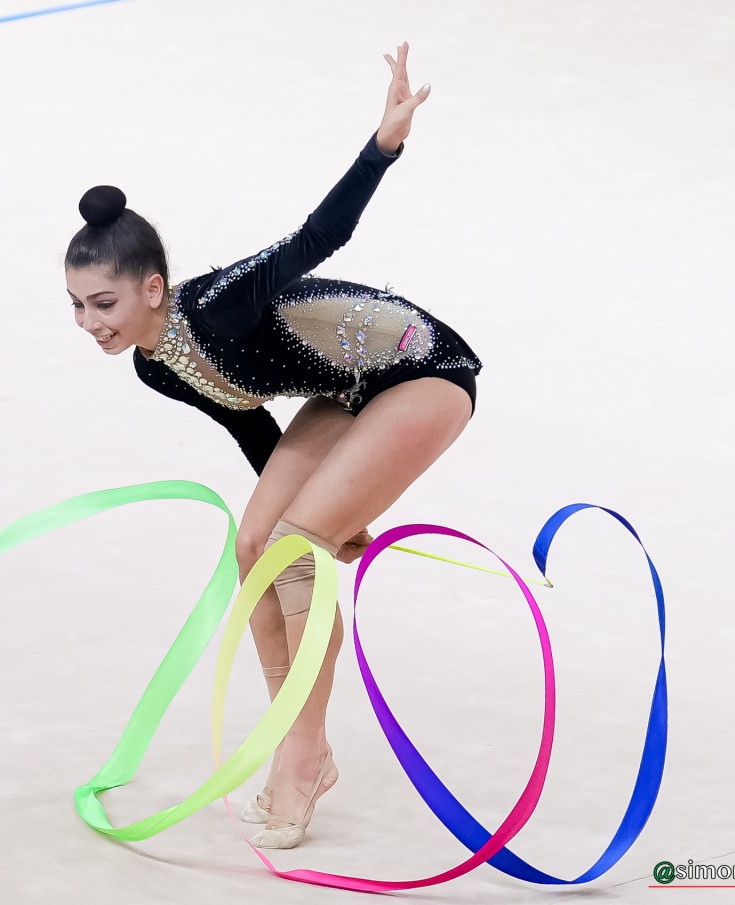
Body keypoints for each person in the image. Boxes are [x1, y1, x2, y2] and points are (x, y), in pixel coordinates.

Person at [62, 42, 482, 850]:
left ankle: (300, 756)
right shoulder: (155, 364)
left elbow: (319, 235)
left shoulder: (217, 306)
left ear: (153, 287)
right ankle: (300, 738)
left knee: (295, 546)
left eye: (103, 303)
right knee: (257, 543)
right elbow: (251, 424)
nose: (90, 323)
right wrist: (329, 502)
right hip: (346, 391)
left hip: (423, 369)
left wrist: (382, 146)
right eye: (77, 305)